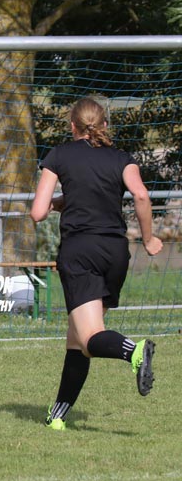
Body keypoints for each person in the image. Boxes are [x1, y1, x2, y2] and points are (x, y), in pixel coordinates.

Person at [30, 96, 163, 431]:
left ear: (72, 126)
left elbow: (37, 212)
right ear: (104, 124)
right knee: (77, 339)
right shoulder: (122, 158)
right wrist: (148, 239)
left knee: (90, 336)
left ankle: (134, 350)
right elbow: (141, 195)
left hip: (81, 251)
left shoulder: (59, 155)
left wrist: (55, 203)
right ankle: (58, 414)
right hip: (115, 252)